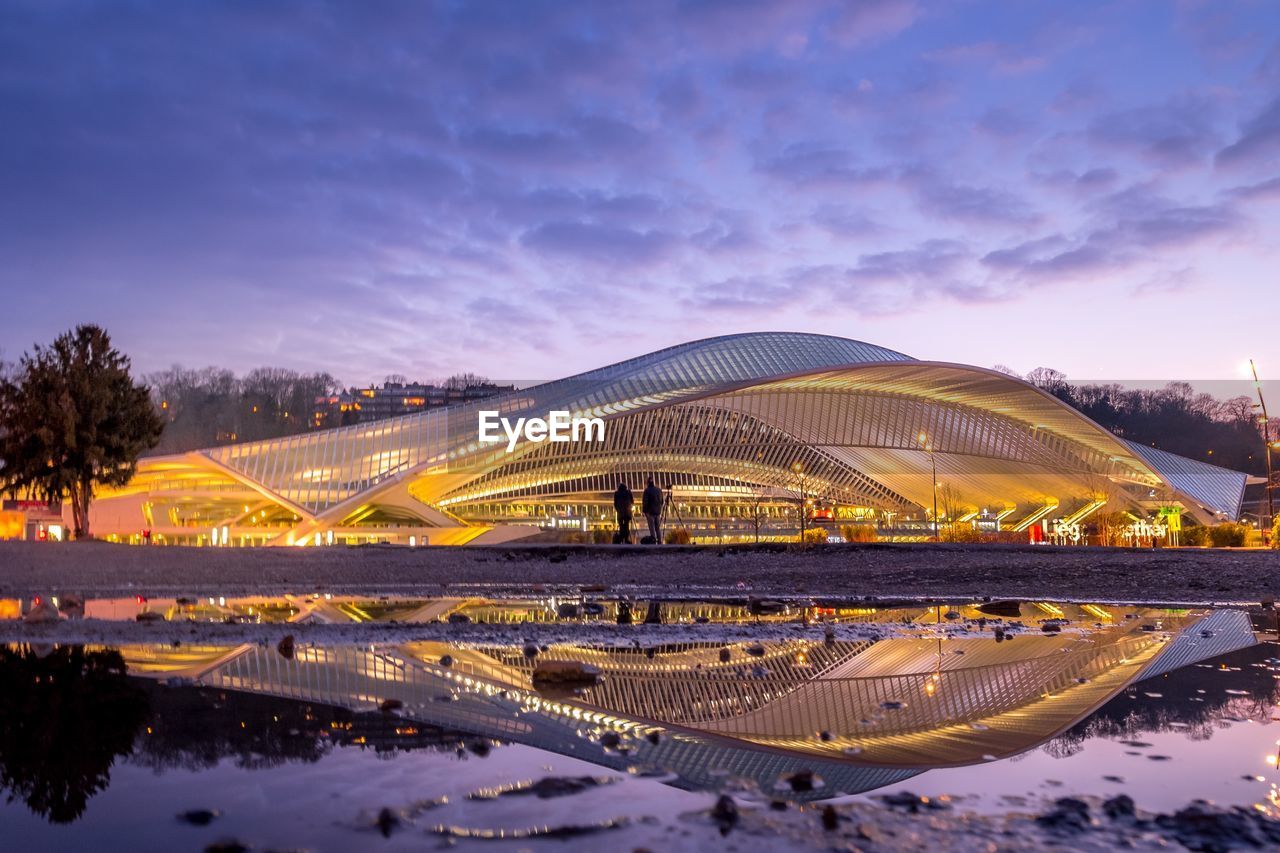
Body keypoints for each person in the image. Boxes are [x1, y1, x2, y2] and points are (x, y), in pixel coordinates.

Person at [642, 476, 664, 543]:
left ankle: (653, 540)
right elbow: (662, 501)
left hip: (650, 512)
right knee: (657, 528)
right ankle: (660, 541)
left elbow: (645, 502)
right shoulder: (659, 490)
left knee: (652, 527)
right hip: (658, 512)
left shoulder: (647, 491)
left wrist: (644, 511)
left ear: (647, 483)